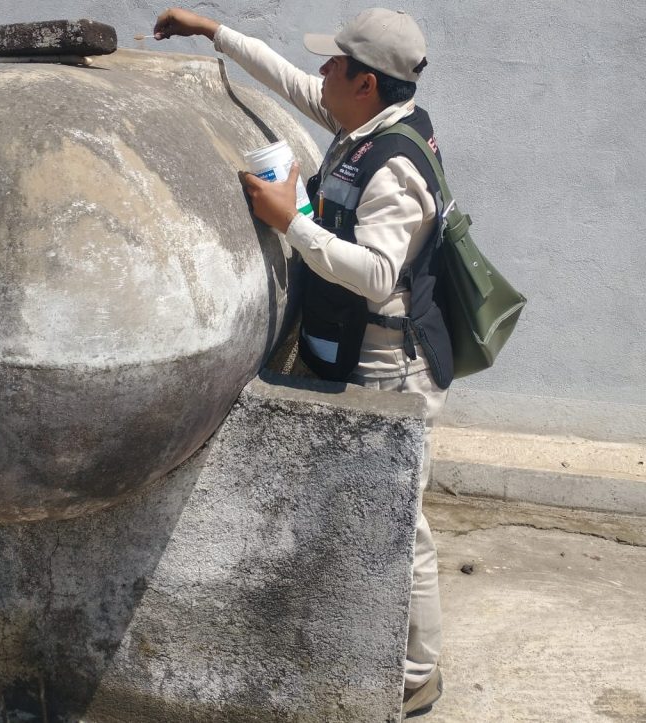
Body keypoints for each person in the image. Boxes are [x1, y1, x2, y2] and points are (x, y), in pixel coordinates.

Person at [154, 7, 452, 718]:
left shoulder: (396, 169)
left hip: (391, 365)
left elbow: (380, 273)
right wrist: (211, 32)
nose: (321, 73)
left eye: (335, 64)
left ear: (367, 83)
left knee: (403, 523)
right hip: (354, 351)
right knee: (371, 512)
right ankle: (360, 632)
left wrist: (290, 220)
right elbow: (287, 78)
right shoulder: (362, 123)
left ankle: (418, 672)